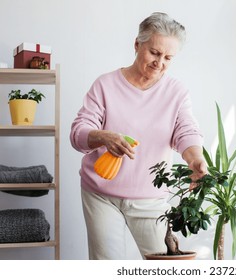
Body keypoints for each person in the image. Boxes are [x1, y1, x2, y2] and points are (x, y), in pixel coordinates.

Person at [69, 12, 207, 260]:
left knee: (165, 266)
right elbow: (78, 133)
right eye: (154, 52)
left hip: (151, 199)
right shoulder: (105, 85)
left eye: (168, 57)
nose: (160, 62)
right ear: (137, 44)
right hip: (101, 194)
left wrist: (195, 158)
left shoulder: (176, 92)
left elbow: (186, 130)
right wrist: (103, 136)